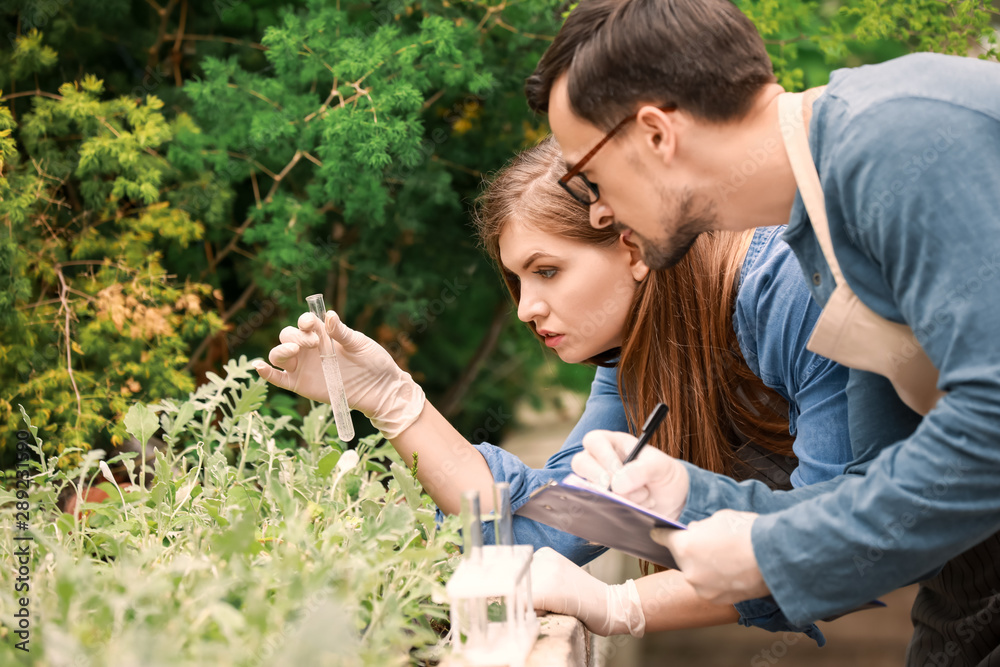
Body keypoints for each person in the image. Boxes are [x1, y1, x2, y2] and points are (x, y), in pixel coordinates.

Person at [526, 0, 1000, 662]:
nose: (599, 208)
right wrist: (691, 497)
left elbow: (991, 426)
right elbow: (869, 493)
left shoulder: (897, 139)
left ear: (656, 133)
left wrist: (764, 549)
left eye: (587, 175)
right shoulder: (823, 230)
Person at [252, 137, 853, 640]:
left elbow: (836, 548)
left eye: (547, 270)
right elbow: (540, 528)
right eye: (517, 279)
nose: (525, 308)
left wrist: (621, 606)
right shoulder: (637, 362)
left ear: (633, 246)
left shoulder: (790, 294)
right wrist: (394, 400)